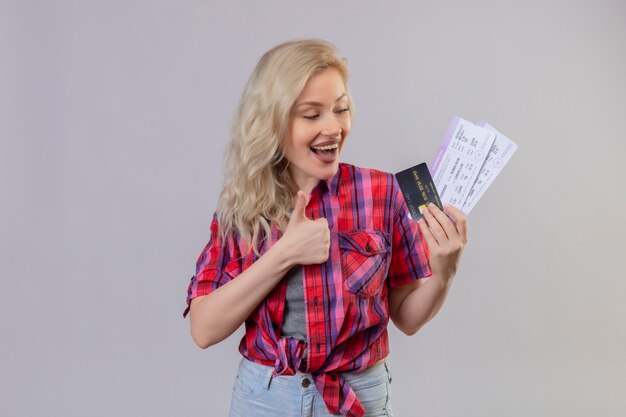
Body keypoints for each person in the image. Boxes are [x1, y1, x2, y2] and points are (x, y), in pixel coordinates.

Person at [183, 39, 468, 417]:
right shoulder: (245, 206)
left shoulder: (381, 193)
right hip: (266, 400)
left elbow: (407, 318)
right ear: (274, 121)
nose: (334, 128)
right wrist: (284, 254)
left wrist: (445, 270)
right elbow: (204, 329)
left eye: (341, 109)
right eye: (311, 114)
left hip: (358, 397)